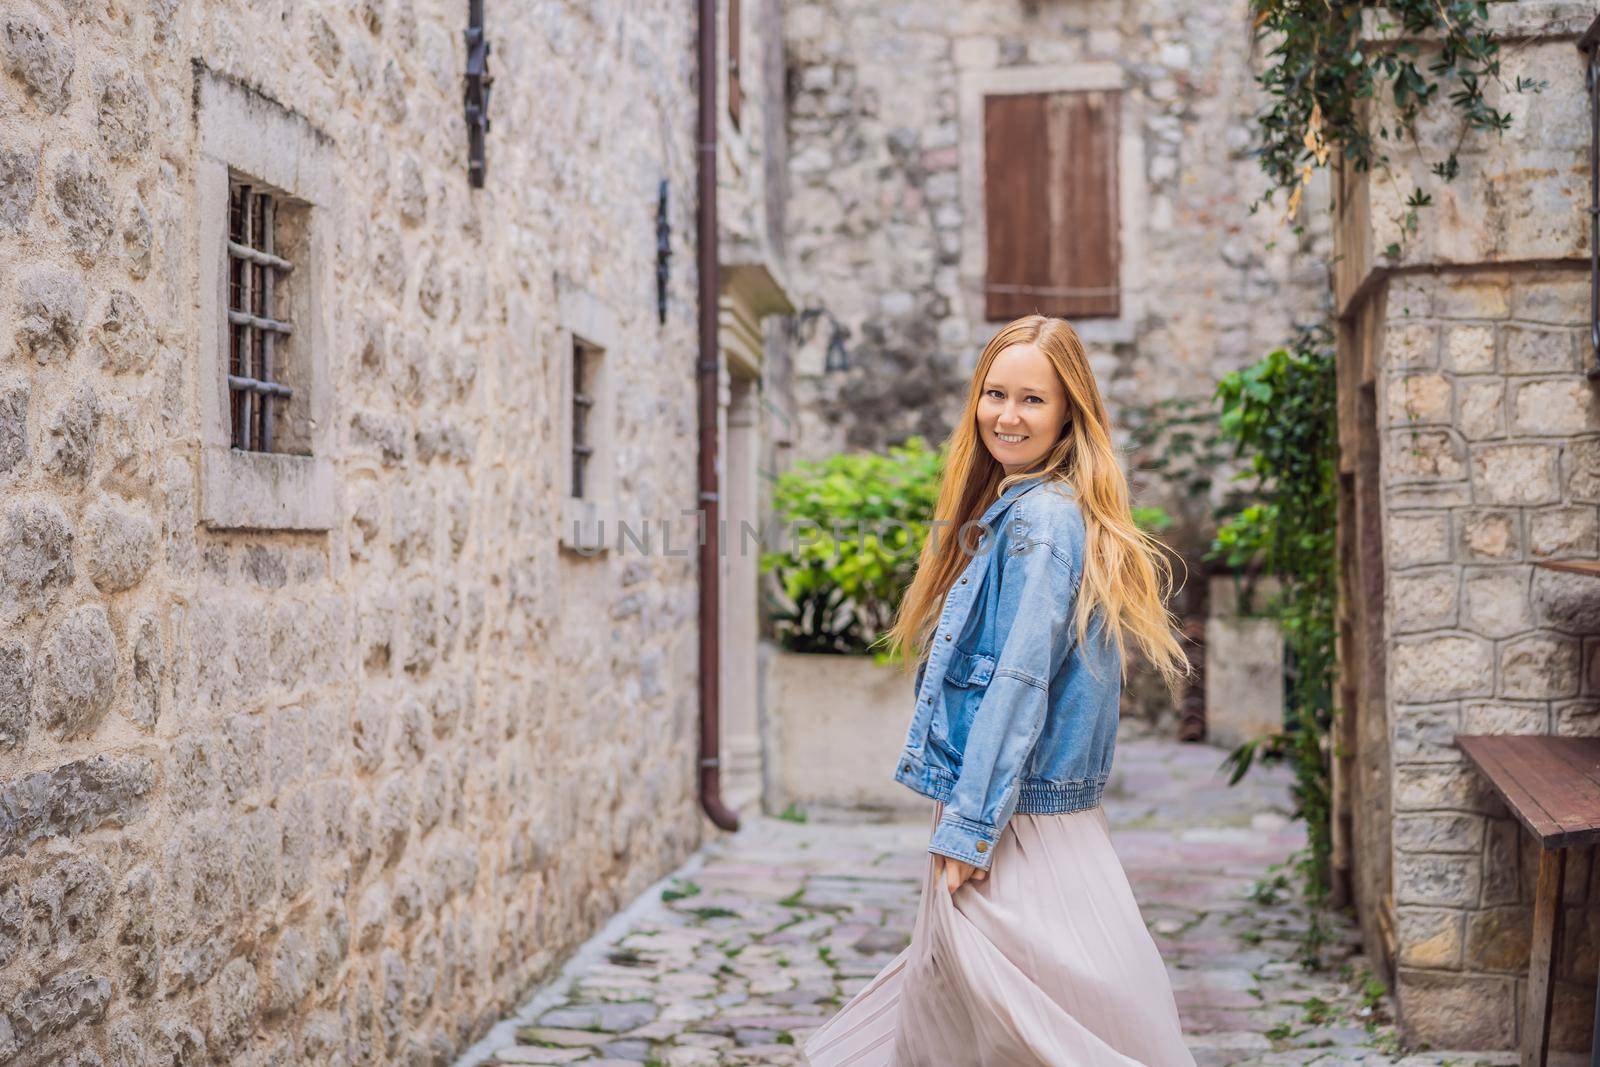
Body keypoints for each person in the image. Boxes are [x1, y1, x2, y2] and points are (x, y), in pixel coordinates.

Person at [802, 315, 1197, 1066]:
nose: (1006, 416)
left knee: (1024, 1030)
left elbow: (1019, 680)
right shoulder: (1028, 510)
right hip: (1025, 816)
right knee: (994, 1022)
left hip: (1016, 823)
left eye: (1032, 400)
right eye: (994, 394)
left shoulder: (1041, 522)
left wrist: (971, 825)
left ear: (1068, 415)